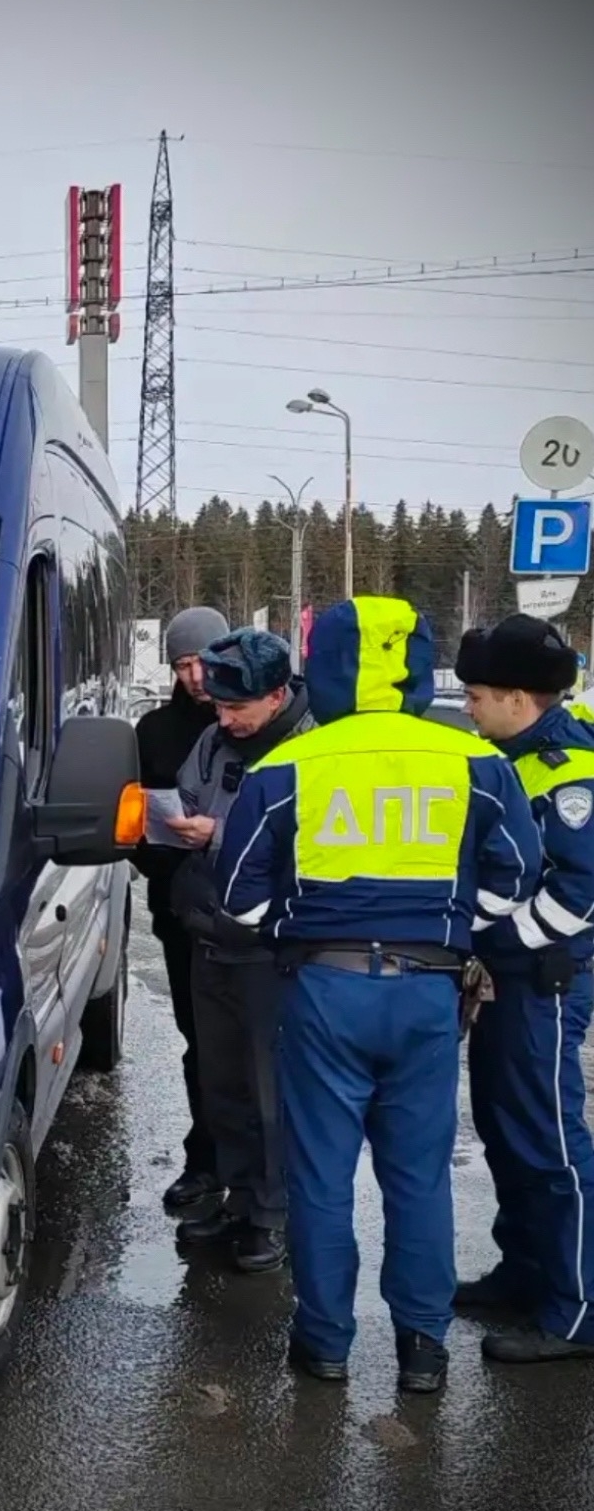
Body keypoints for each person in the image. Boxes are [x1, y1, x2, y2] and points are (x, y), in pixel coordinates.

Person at [217, 596, 539, 1393]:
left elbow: (235, 890)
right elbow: (520, 871)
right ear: (421, 669)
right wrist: (458, 925)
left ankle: (324, 1343)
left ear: (320, 669)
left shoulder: (290, 764)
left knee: (322, 1177)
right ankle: (422, 1351)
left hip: (324, 986)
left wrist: (294, 929)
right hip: (428, 988)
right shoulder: (475, 760)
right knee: (419, 1177)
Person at [455, 615, 594, 1366]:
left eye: (476, 696)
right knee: (505, 1130)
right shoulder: (510, 757)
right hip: (511, 983)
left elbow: (580, 891)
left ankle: (579, 1309)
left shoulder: (569, 770)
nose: (468, 708)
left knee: (551, 1142)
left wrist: (497, 946)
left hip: (544, 984)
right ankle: (525, 1272)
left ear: (517, 698)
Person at [168, 627, 312, 1273]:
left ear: (277, 695)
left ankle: (271, 1215)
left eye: (237, 709)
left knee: (268, 1089)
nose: (224, 718)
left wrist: (218, 832)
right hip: (209, 935)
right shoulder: (213, 738)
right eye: (219, 708)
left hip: (270, 948)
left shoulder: (312, 748)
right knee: (220, 1082)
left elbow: (304, 839)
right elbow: (192, 786)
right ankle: (234, 1195)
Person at [130, 607, 227, 1211]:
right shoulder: (154, 733)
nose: (194, 676)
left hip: (255, 918)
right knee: (200, 1042)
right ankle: (206, 1157)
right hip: (180, 911)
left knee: (256, 1047)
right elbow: (133, 824)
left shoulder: (261, 722)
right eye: (182, 664)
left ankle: (265, 1171)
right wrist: (166, 857)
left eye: (204, 662)